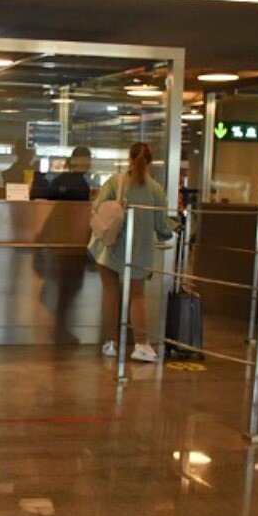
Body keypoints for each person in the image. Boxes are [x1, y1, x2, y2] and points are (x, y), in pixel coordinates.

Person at [88, 142, 174, 362]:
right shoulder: (156, 190)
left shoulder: (115, 182)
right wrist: (173, 228)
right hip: (139, 251)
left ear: (130, 159)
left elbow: (97, 207)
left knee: (110, 293)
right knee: (137, 296)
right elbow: (162, 227)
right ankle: (141, 344)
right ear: (150, 162)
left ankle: (111, 343)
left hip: (109, 247)